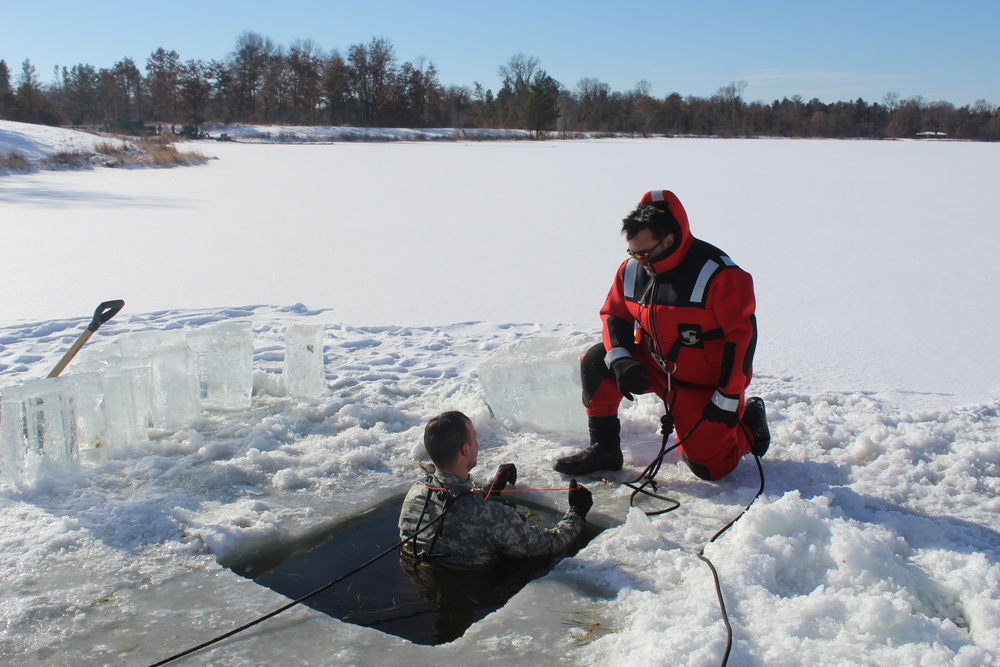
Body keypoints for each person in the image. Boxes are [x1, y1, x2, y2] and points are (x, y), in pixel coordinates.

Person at [554, 189, 770, 481]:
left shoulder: (720, 276)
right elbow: (614, 314)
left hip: (703, 386)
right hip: (656, 366)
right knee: (596, 360)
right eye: (632, 252)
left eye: (643, 253)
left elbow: (742, 337)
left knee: (709, 467)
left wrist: (728, 397)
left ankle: (751, 420)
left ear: (669, 240)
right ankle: (604, 448)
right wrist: (620, 359)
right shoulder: (632, 270)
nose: (637, 260)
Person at [399, 410, 593, 568]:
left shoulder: (415, 492)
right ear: (465, 450)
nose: (478, 444)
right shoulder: (493, 516)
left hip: (426, 578)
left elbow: (458, 509)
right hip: (474, 587)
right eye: (475, 438)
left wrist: (489, 489)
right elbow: (549, 544)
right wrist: (576, 514)